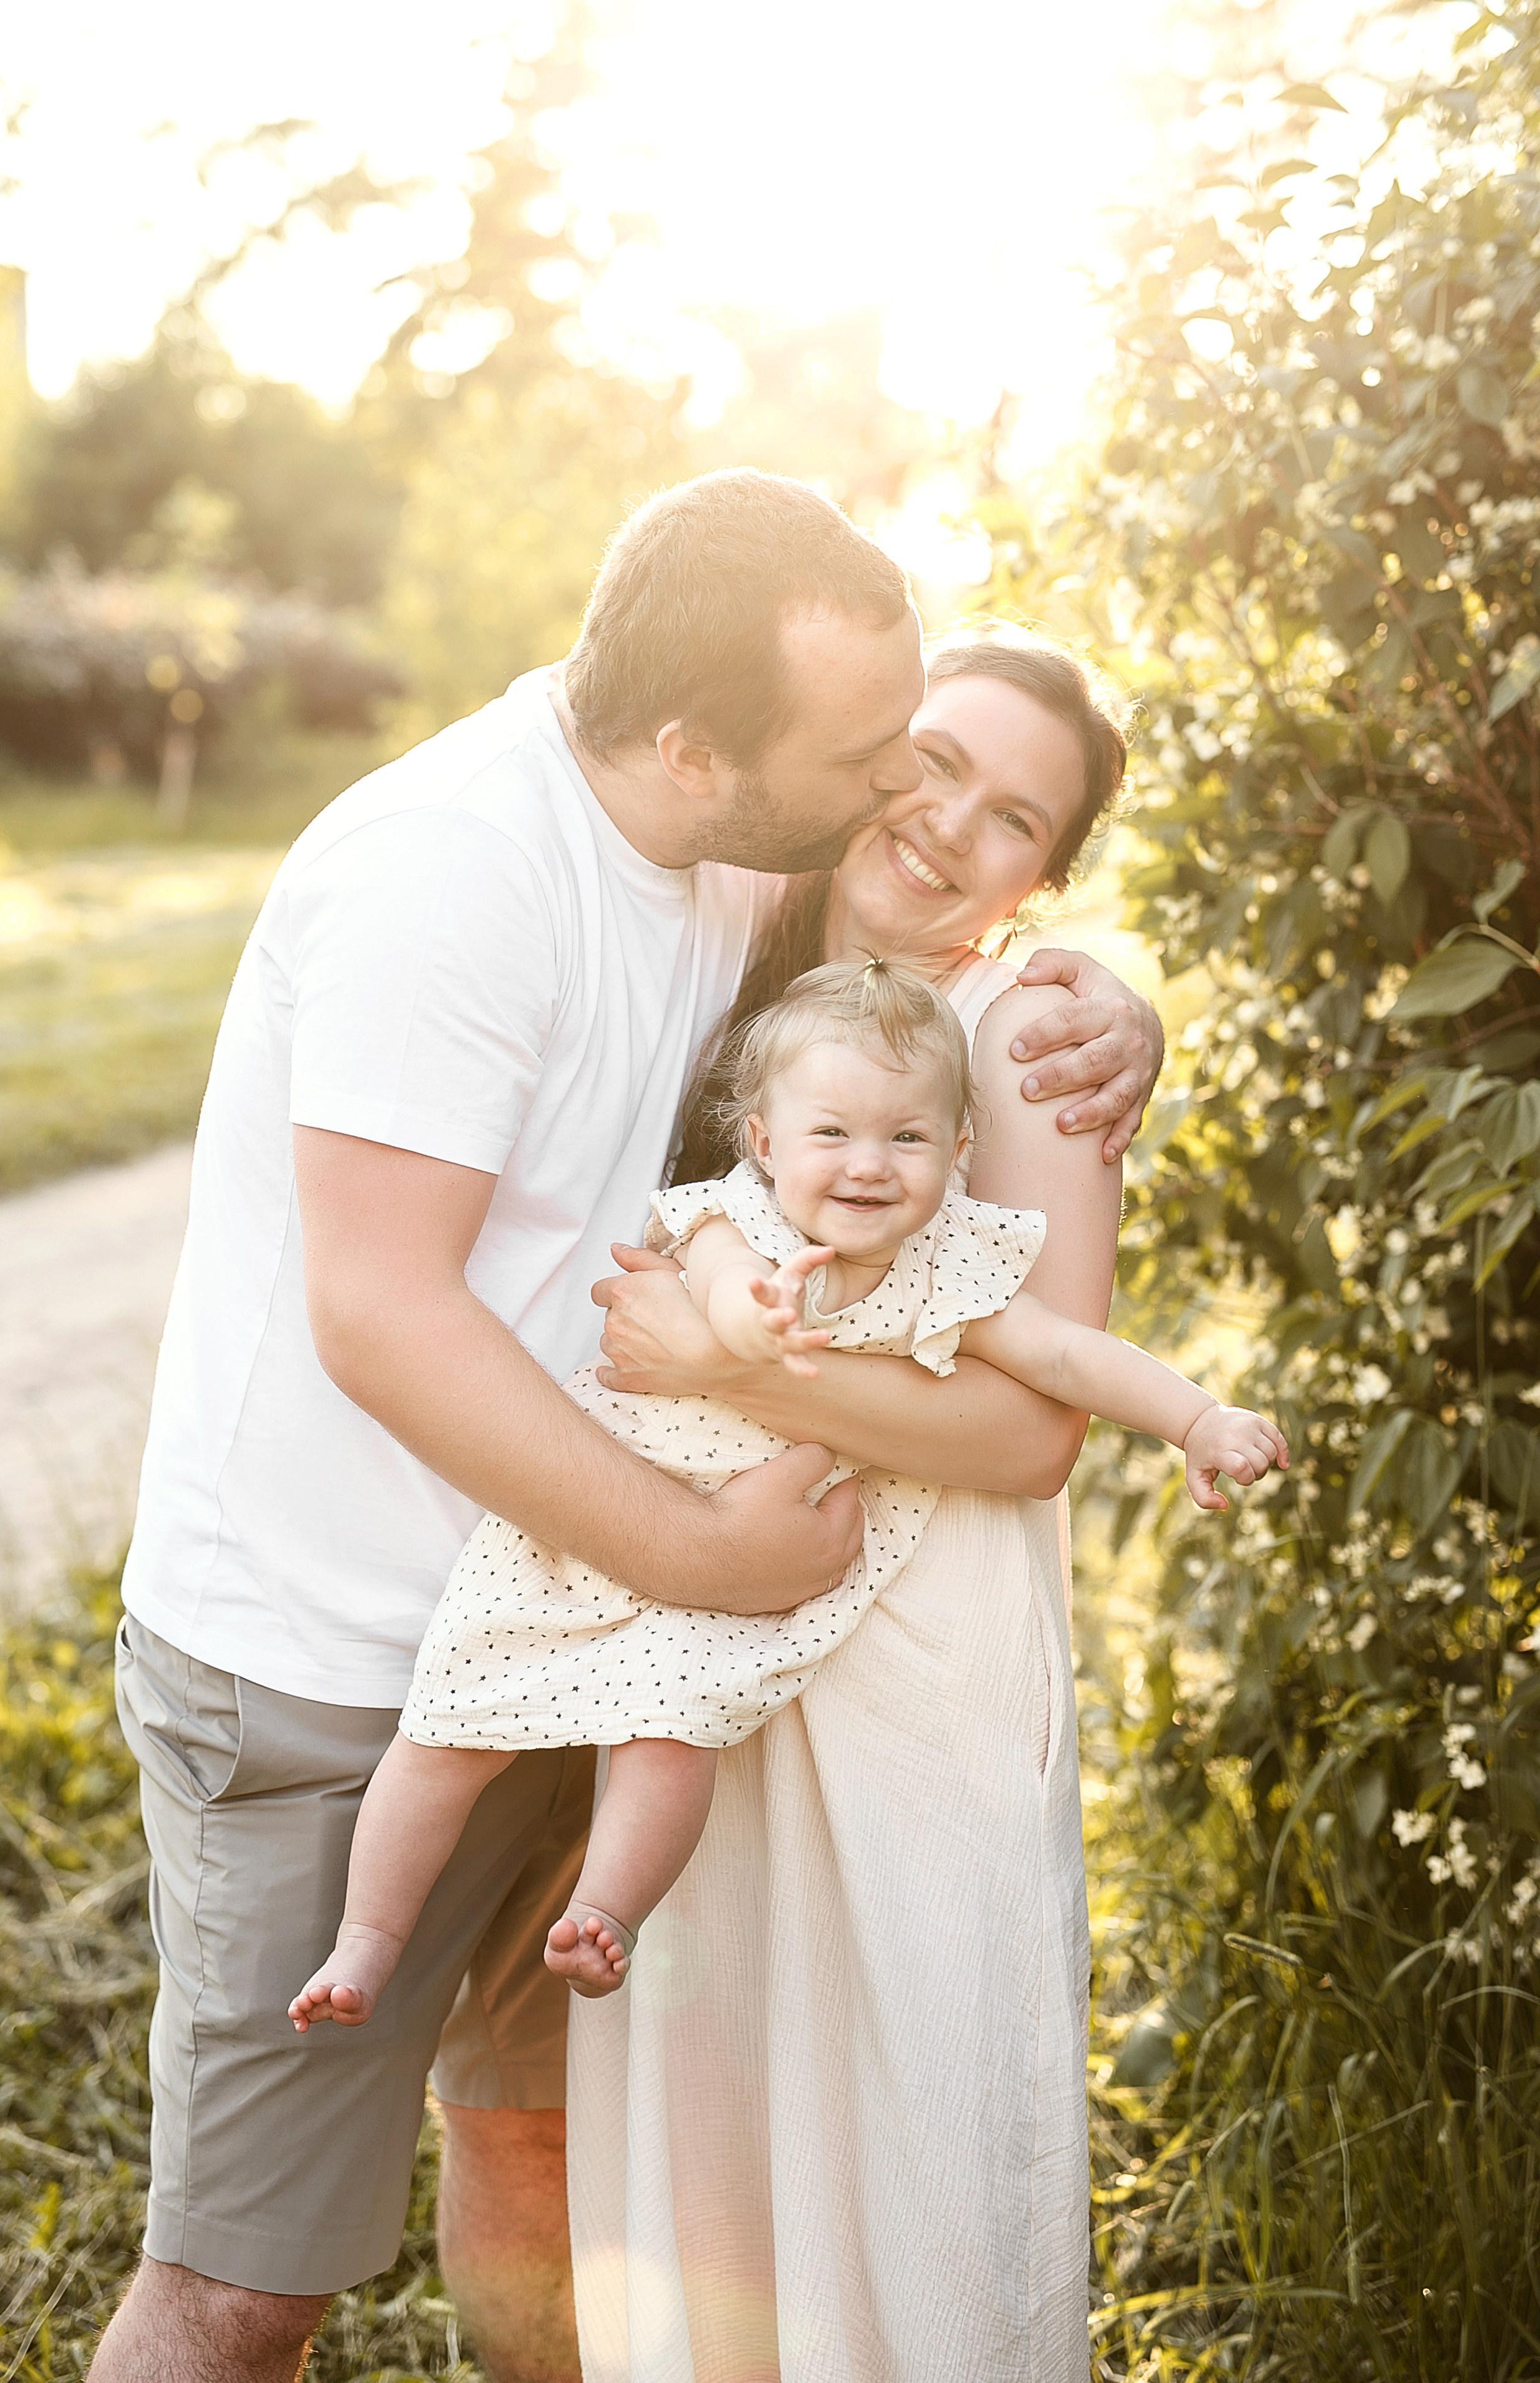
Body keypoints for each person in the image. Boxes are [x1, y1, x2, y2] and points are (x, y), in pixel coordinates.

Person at [93, 479, 1161, 2383]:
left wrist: (1109, 1018)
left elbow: (971, 1056)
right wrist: (699, 1553)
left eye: (991, 803)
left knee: (553, 2160)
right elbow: (381, 1311)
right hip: (348, 1660)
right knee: (245, 2286)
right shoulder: (464, 871)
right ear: (698, 748)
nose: (903, 801)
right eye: (888, 758)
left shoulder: (735, 867)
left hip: (613, 1662)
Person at [288, 959, 1280, 2031]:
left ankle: (605, 1915)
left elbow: (1069, 1359)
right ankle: (365, 1942)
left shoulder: (948, 1267)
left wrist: (1197, 1418)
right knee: (449, 1728)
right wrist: (750, 1325)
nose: (868, 1166)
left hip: (732, 1573)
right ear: (764, 1142)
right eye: (832, 1134)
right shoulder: (734, 1226)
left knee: (671, 1742)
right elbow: (715, 1285)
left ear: (957, 1153)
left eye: (907, 1138)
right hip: (604, 1508)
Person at [570, 626, 1162, 2382]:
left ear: (1041, 879)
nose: (945, 822)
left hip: (916, 1671)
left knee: (919, 2162)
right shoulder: (728, 948)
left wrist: (732, 1372)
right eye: (934, 760)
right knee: (720, 2153)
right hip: (702, 1651)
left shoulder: (1026, 1024)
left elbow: (1036, 1427)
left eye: (1014, 817)